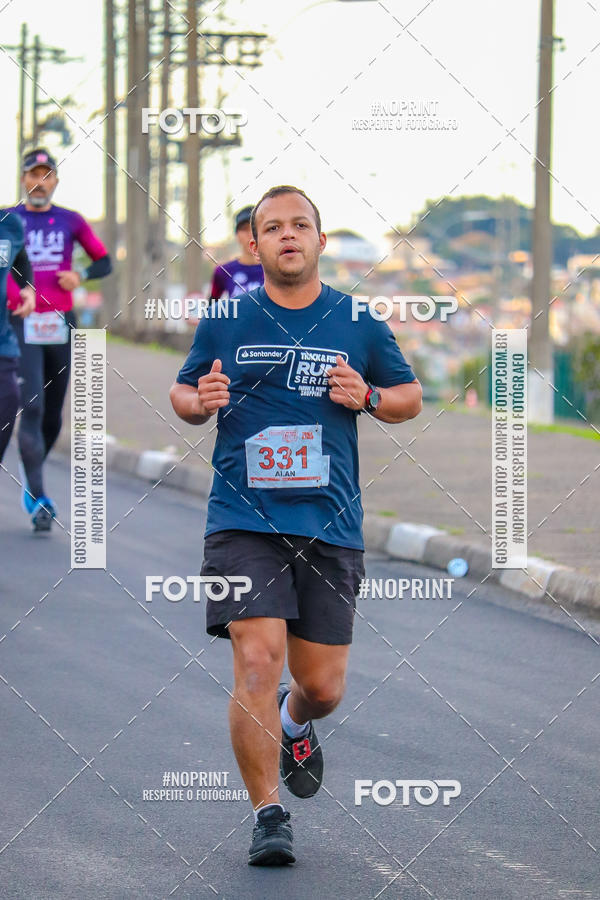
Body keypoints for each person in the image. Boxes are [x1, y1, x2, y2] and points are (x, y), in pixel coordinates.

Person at [169, 185, 421, 866]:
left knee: (323, 688)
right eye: (271, 227)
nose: (286, 235)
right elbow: (184, 390)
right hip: (240, 519)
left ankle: (293, 721)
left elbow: (409, 397)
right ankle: (268, 814)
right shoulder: (226, 319)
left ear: (319, 240)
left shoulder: (357, 320)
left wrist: (367, 395)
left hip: (329, 524)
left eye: (299, 225)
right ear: (254, 243)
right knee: (256, 658)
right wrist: (200, 401)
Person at [6, 148, 112, 532]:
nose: (39, 181)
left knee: (53, 413)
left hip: (62, 324)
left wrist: (80, 276)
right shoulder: (7, 219)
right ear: (23, 180)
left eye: (46, 175)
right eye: (33, 174)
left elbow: (105, 261)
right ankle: (37, 495)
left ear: (54, 181)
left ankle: (29, 463)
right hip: (21, 323)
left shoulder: (70, 221)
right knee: (31, 406)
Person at [0, 210, 35, 463]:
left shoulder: (9, 225)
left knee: (8, 407)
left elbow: (21, 259)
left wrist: (28, 289)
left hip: (3, 348)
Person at [209, 205, 264, 301]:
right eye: (244, 229)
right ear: (237, 235)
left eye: (254, 228)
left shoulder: (276, 269)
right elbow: (210, 308)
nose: (250, 234)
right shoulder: (223, 271)